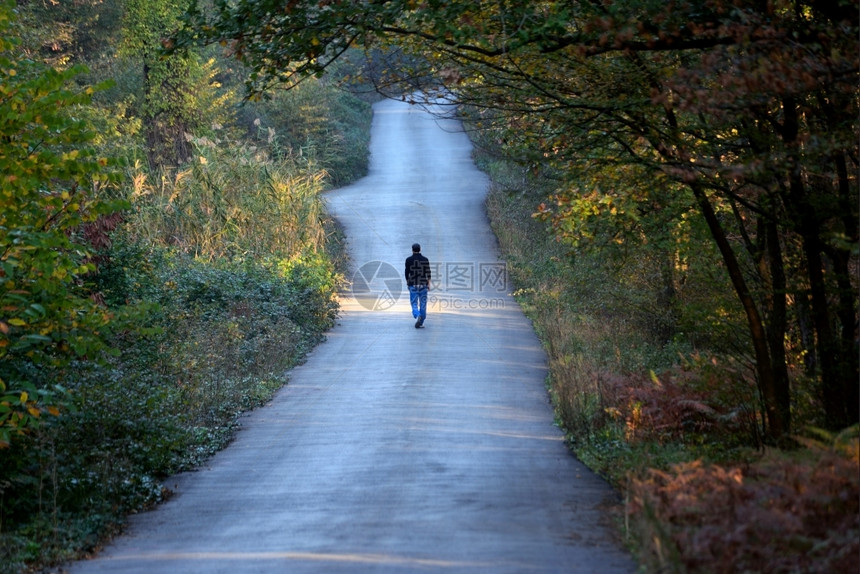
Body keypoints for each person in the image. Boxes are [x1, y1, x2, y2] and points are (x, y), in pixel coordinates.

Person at [405, 243, 431, 328]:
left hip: (413, 284)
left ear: (412, 250)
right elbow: (428, 272)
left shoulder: (408, 260)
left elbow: (407, 273)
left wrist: (407, 282)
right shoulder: (425, 259)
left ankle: (417, 314)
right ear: (420, 249)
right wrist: (429, 284)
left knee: (414, 302)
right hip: (423, 284)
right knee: (423, 303)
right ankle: (421, 321)